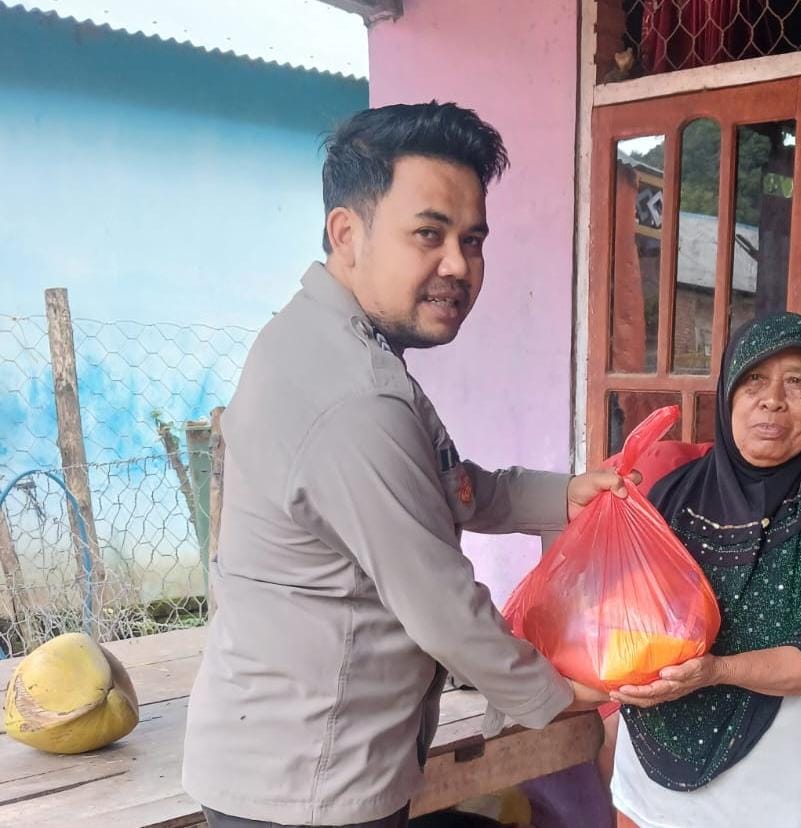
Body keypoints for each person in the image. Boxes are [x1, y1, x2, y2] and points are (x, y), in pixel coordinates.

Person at [182, 102, 615, 828]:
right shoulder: (354, 393)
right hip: (308, 786)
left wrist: (566, 496)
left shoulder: (330, 342)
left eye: (472, 240)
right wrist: (555, 695)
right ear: (346, 234)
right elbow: (442, 605)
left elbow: (450, 487)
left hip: (293, 758)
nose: (459, 265)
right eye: (428, 234)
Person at [608, 312, 801, 828]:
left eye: (796, 382)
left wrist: (717, 670)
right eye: (754, 379)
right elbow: (626, 615)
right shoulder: (672, 494)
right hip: (651, 771)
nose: (773, 400)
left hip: (773, 788)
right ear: (728, 393)